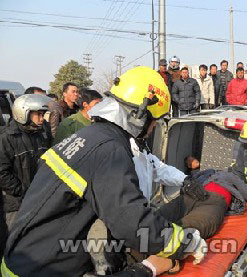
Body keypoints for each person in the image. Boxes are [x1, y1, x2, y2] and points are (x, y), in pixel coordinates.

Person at [1, 67, 206, 276]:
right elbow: (131, 222)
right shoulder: (110, 149)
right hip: (41, 268)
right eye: (153, 121)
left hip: (22, 257)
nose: (153, 128)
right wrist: (186, 241)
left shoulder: (90, 136)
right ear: (139, 114)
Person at [0, 94, 52, 229]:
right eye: (38, 115)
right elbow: (2, 173)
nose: (42, 119)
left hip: (39, 198)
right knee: (14, 241)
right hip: (16, 204)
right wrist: (23, 192)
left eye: (43, 114)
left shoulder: (41, 134)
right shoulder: (6, 138)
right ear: (23, 113)